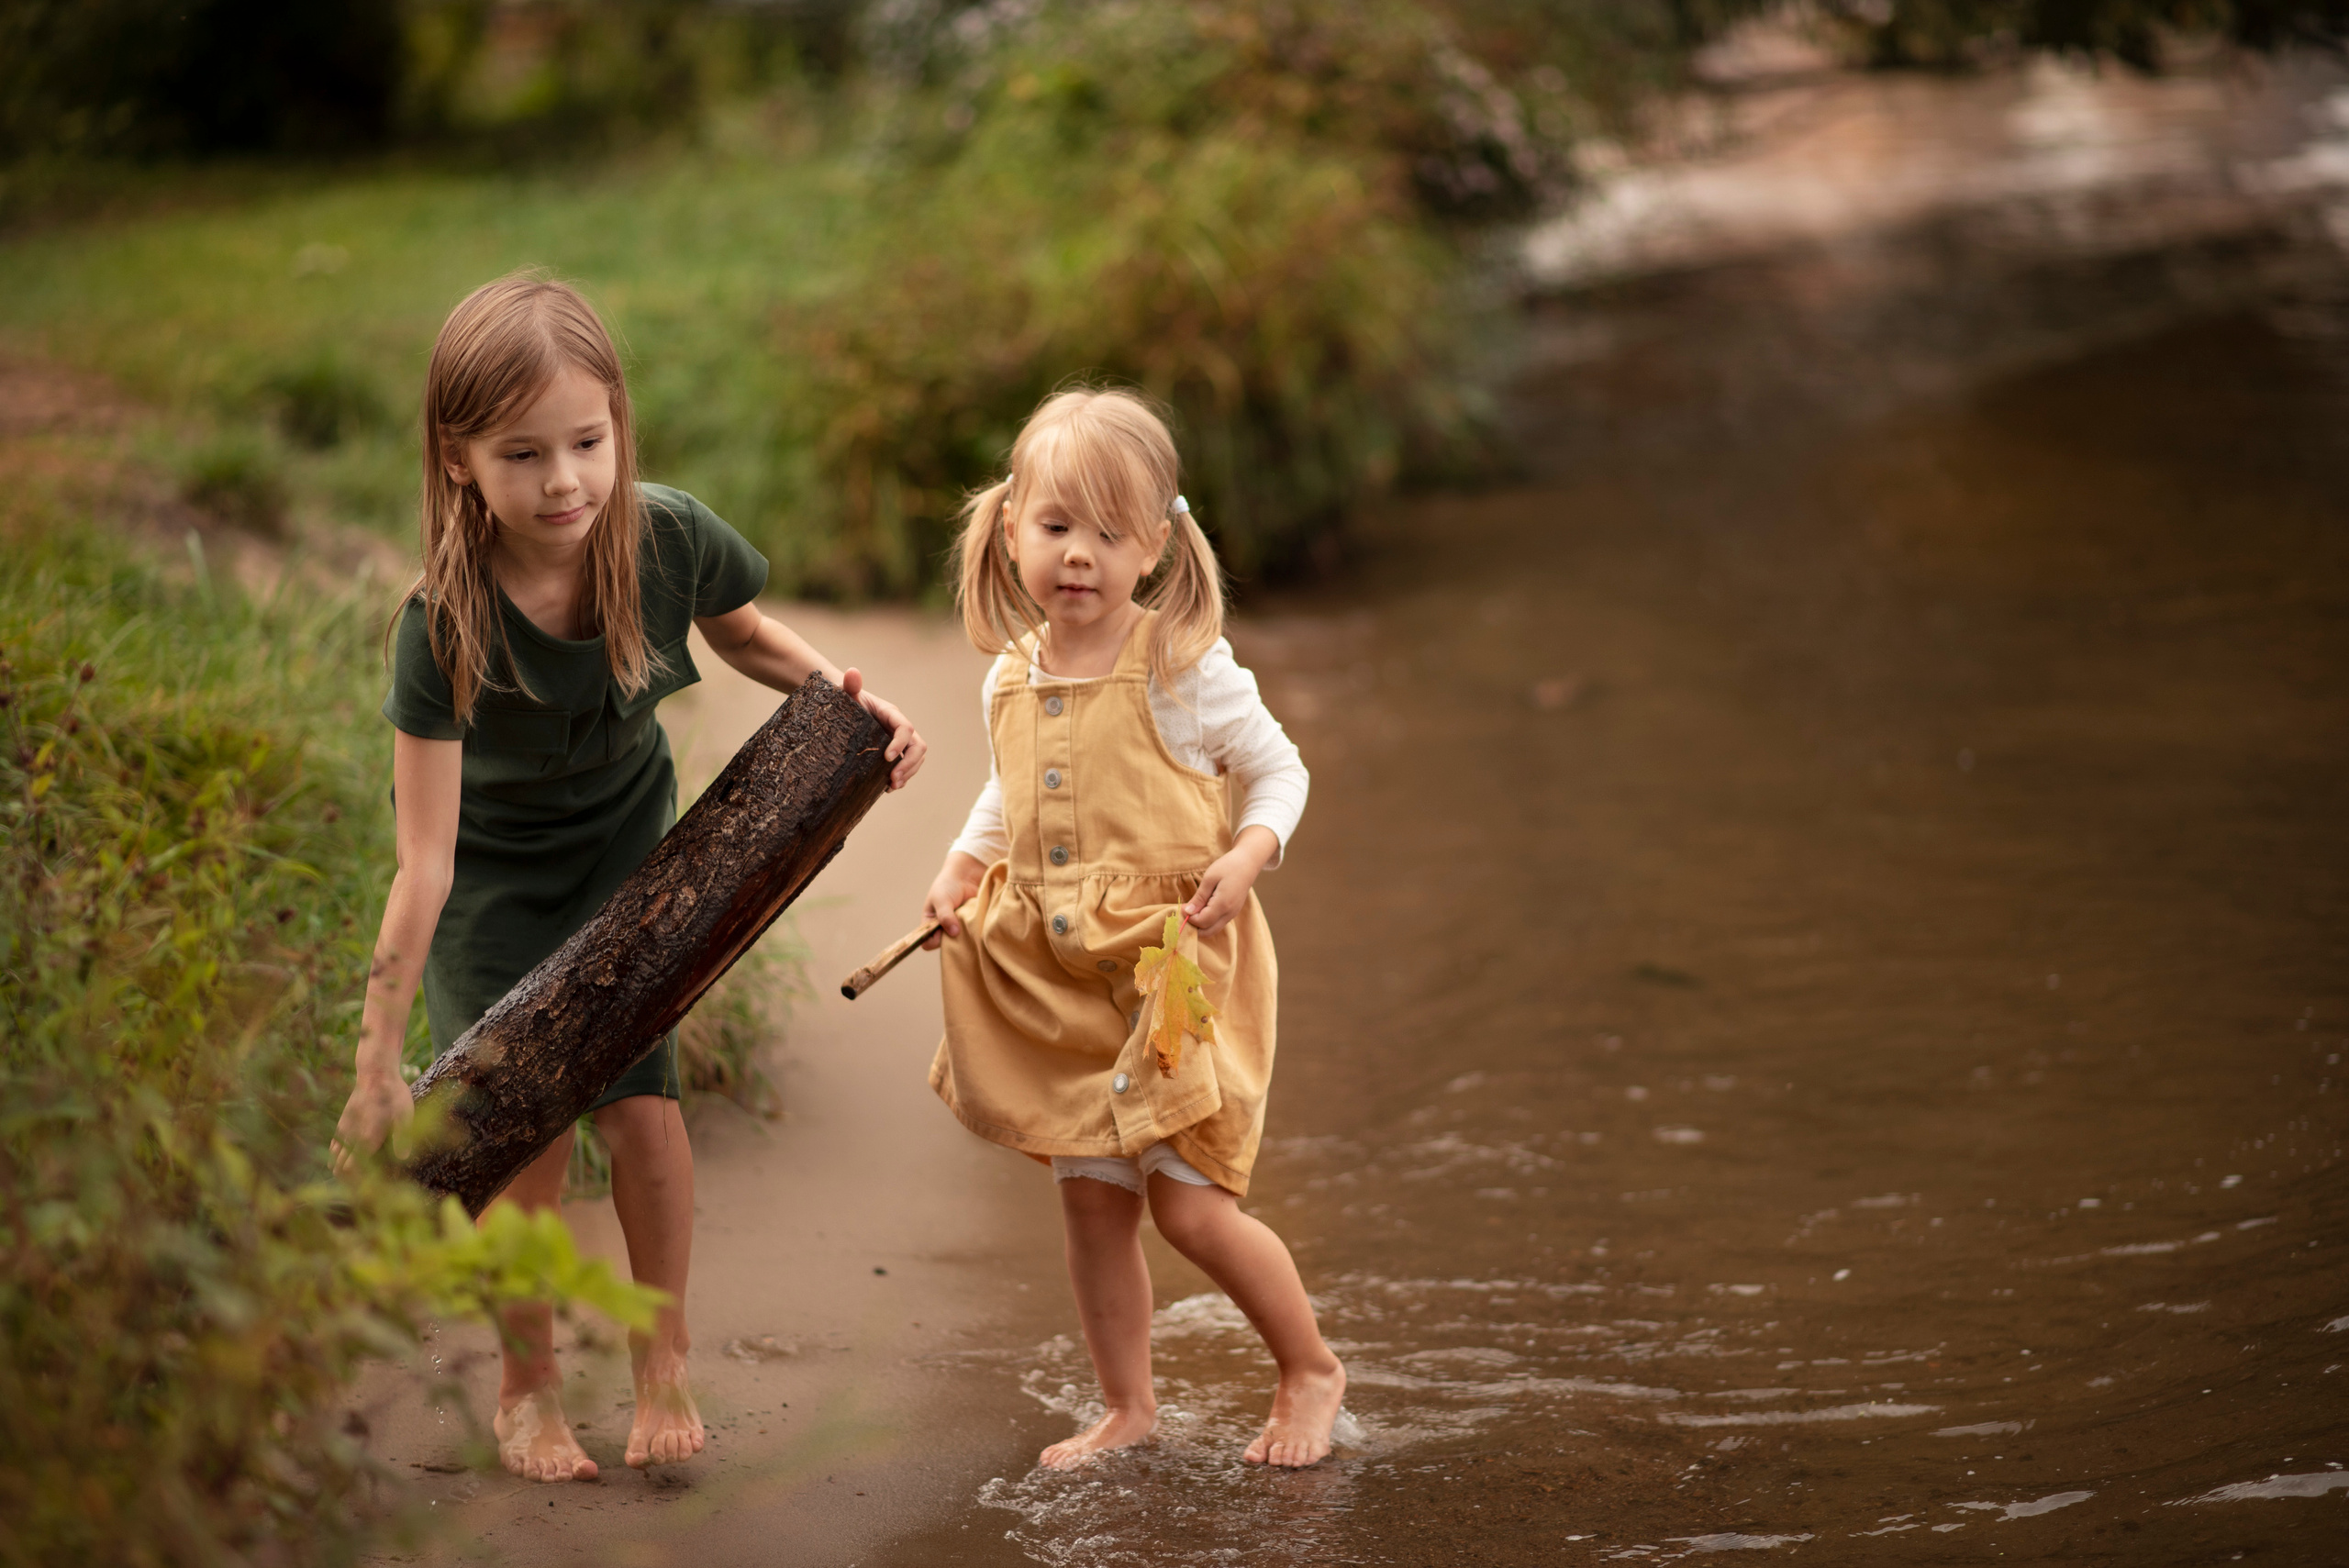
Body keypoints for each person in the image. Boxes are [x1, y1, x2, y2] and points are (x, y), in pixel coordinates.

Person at [334, 272, 925, 1483]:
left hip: (629, 867)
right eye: (524, 453)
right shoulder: (440, 623)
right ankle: (527, 1386)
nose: (564, 482)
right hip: (491, 896)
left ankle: (664, 1361)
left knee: (648, 1122)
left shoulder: (663, 535)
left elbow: (749, 633)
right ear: (458, 459)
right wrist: (374, 1057)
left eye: (588, 443)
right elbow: (425, 856)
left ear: (619, 428)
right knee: (525, 1149)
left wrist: (851, 710)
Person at [919, 387, 1343, 1469]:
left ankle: (1309, 1368)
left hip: (1174, 976)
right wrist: (964, 868)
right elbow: (1013, 795)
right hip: (1067, 981)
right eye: (1057, 526)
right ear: (1012, 526)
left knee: (1193, 1211)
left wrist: (1247, 856)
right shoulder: (1008, 675)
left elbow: (1278, 770)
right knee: (1095, 1213)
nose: (1078, 556)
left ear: (1153, 545)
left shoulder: (1183, 667)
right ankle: (1128, 1404)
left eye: (1109, 534)